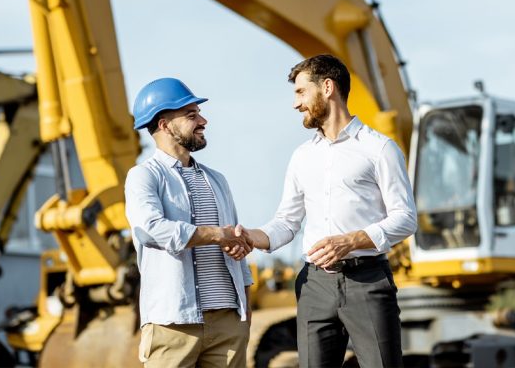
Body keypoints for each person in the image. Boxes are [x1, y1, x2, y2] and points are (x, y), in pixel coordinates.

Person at [241, 55, 418, 367]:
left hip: (368, 281)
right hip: (314, 285)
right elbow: (287, 221)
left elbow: (405, 218)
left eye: (300, 92)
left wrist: (349, 241)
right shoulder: (302, 157)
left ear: (327, 87)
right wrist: (253, 237)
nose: (296, 104)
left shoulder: (380, 149)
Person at [125, 77, 254, 367]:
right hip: (173, 324)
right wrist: (216, 234)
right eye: (191, 115)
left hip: (228, 323)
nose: (203, 120)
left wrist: (244, 317)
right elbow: (150, 230)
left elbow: (236, 248)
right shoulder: (144, 176)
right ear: (164, 124)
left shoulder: (217, 180)